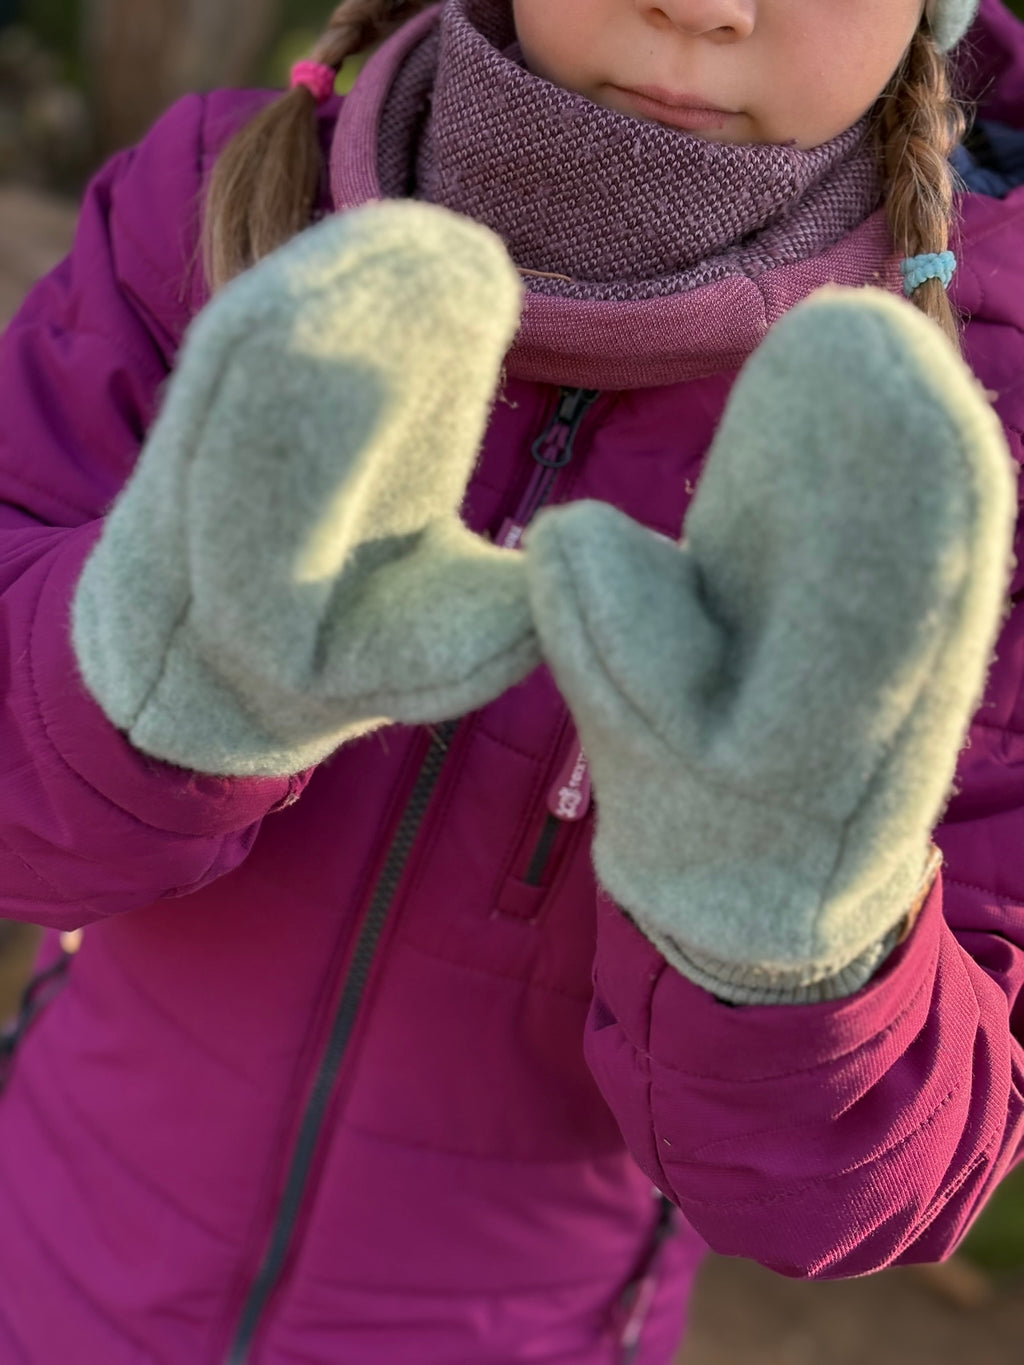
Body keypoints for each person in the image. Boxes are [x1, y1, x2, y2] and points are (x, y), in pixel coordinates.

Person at [1, 0, 1023, 1361]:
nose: (710, 5)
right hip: (52, 1253)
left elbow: (873, 1185)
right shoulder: (216, 209)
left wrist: (791, 932)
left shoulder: (966, 448)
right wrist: (159, 674)